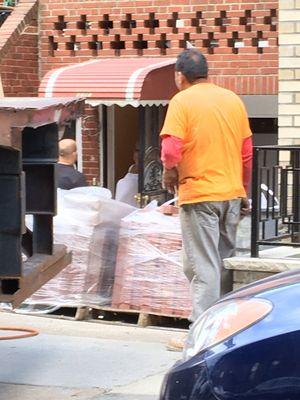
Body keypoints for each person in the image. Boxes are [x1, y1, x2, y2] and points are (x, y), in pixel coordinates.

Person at [160, 49, 253, 350]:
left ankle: (200, 337)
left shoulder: (182, 101)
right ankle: (225, 328)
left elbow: (171, 150)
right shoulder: (232, 99)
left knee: (203, 268)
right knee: (222, 263)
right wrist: (243, 189)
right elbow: (247, 153)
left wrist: (169, 173)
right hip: (231, 195)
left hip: (200, 194)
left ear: (179, 75)